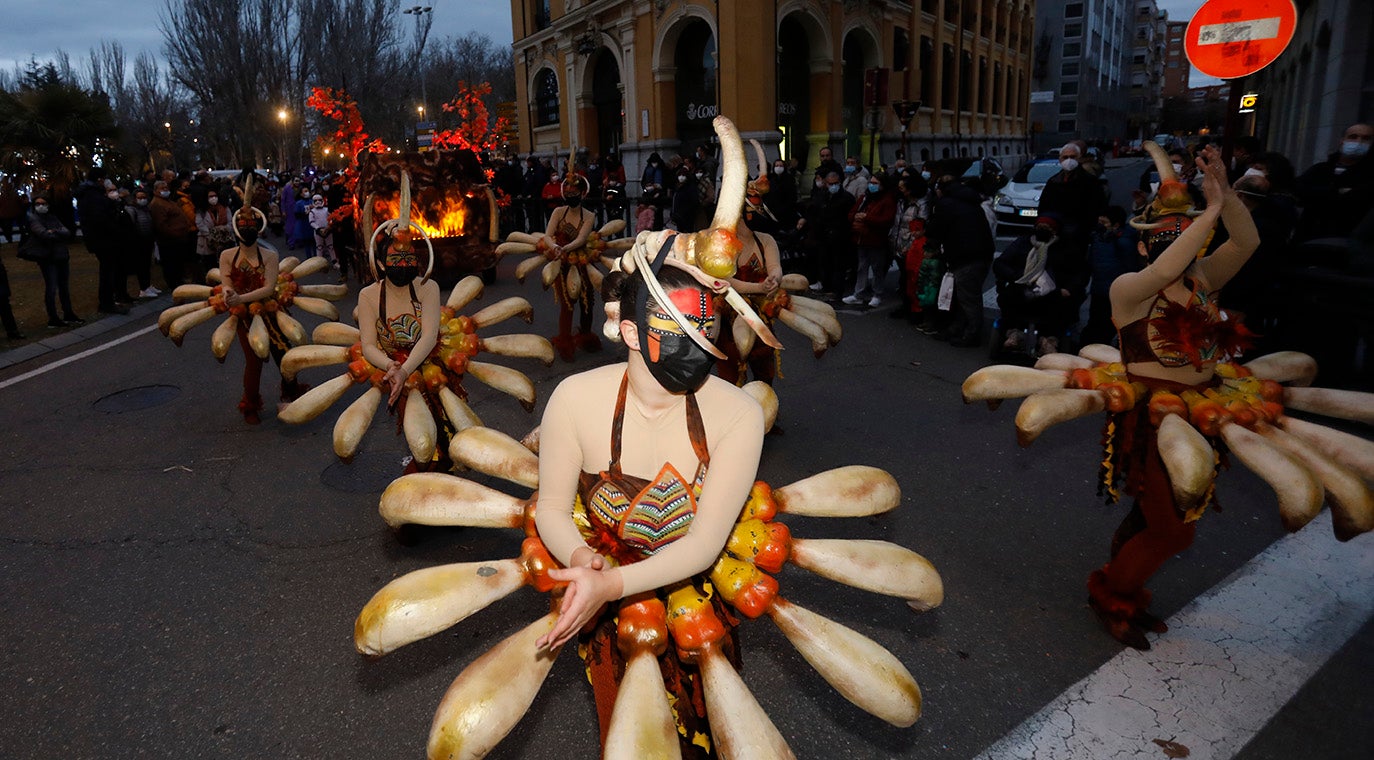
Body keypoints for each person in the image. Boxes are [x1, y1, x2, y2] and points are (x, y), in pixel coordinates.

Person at [534, 255, 766, 756]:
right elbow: (551, 507)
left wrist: (609, 583)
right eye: (680, 330)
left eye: (707, 330)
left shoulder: (740, 413)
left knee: (706, 731)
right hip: (607, 594)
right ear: (633, 334)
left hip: (694, 597)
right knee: (629, 734)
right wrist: (583, 563)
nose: (699, 347)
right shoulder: (574, 398)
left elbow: (704, 544)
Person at [1091, 146, 1259, 649]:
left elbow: (1247, 241)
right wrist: (1205, 215)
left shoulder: (1205, 278)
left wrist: (1225, 197)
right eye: (1165, 237)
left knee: (1168, 515)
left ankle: (1126, 579)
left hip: (1204, 411)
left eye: (1184, 234)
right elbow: (1165, 272)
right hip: (1155, 419)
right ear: (1144, 247)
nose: (1178, 245)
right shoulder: (1131, 288)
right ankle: (1112, 595)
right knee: (1173, 531)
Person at [355, 210, 444, 466]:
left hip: (429, 362)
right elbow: (369, 345)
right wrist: (390, 366)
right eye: (396, 258)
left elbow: (429, 337)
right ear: (381, 263)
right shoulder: (368, 296)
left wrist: (403, 370)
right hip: (393, 366)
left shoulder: (429, 288)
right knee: (420, 434)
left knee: (443, 423)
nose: (404, 265)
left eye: (409, 258)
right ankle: (425, 471)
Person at [218, 200, 307, 424]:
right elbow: (225, 281)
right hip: (243, 316)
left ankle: (289, 393)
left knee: (285, 353)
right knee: (254, 360)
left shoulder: (270, 256)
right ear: (237, 229)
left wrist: (241, 297)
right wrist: (229, 293)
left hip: (270, 308)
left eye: (251, 224)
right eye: (243, 224)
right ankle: (250, 404)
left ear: (258, 228)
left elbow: (268, 288)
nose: (247, 228)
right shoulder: (227, 255)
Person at [992, 214, 1089, 355]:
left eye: (1047, 228)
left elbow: (1081, 272)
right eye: (1040, 227)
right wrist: (1016, 276)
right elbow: (1001, 263)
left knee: (1062, 308)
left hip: (1054, 292)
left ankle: (1049, 340)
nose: (1043, 230)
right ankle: (1015, 333)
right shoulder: (1023, 243)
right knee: (1008, 299)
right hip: (1023, 288)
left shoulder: (1066, 249)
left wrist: (1069, 289)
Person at [925, 174, 994, 346]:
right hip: (979, 253)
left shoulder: (946, 204)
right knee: (965, 295)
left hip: (964, 256)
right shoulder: (969, 201)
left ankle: (971, 334)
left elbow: (935, 229)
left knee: (968, 298)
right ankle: (958, 328)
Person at [539, 172, 601, 361]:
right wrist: (555, 247)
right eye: (568, 192)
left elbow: (582, 238)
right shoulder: (558, 212)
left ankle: (585, 334)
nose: (571, 195)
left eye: (575, 192)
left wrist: (565, 247)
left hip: (582, 260)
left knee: (587, 302)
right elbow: (548, 235)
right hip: (562, 261)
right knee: (567, 304)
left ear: (583, 194)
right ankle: (565, 341)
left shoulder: (589, 216)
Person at [1294, 122, 1374, 242]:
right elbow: (1298, 192)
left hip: (1348, 245)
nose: (1359, 142)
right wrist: (1337, 192)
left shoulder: (1370, 174)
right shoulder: (1321, 169)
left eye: (1366, 138)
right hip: (1309, 240)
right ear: (1342, 140)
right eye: (1353, 137)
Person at [1079, 206, 1139, 347]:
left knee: (1107, 325)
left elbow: (1131, 266)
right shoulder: (1099, 238)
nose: (1101, 226)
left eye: (1104, 223)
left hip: (1115, 292)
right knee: (1096, 322)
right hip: (1099, 289)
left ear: (1116, 225)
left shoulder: (1124, 242)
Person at [24, 194, 83, 328]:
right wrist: (55, 233)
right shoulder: (34, 219)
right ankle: (53, 318)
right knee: (51, 288)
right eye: (38, 204)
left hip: (61, 255)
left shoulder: (53, 217)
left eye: (43, 203)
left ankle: (68, 314)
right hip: (48, 258)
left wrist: (53, 231)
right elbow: (43, 234)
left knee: (64, 287)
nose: (41, 206)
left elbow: (66, 232)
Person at [75, 169, 129, 314]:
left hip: (99, 238)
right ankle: (107, 303)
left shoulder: (89, 194)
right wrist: (114, 227)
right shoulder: (93, 196)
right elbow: (100, 218)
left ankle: (108, 301)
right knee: (108, 271)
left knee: (108, 270)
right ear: (100, 179)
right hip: (103, 239)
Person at [842, 172, 898, 308]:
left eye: (875, 183)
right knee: (862, 267)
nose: (872, 185)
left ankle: (877, 294)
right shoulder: (865, 197)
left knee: (877, 267)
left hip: (876, 240)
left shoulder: (887, 200)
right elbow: (852, 212)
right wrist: (856, 217)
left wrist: (866, 218)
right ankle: (859, 293)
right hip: (861, 238)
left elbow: (886, 220)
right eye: (871, 182)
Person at [150, 179, 195, 287]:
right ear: (156, 190)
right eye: (162, 188)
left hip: (179, 239)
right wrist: (175, 233)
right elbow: (161, 225)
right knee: (171, 265)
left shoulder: (168, 201)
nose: (165, 190)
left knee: (178, 263)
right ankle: (174, 284)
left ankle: (179, 281)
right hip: (169, 241)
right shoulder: (157, 204)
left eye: (166, 188)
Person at [123, 188, 159, 299]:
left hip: (147, 239)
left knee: (147, 264)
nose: (142, 199)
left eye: (144, 197)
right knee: (141, 266)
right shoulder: (131, 210)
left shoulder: (145, 209)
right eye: (139, 197)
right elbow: (131, 226)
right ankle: (144, 288)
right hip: (139, 241)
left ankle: (148, 285)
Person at [195, 188, 233, 276]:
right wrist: (211, 234)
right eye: (211, 196)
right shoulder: (202, 211)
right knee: (210, 263)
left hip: (224, 241)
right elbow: (199, 223)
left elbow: (230, 222)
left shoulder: (224, 208)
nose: (213, 198)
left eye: (215, 196)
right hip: (207, 241)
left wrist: (222, 230)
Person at [307, 193, 336, 271]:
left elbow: (331, 218)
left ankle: (334, 261)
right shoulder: (312, 212)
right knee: (319, 247)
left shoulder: (326, 210)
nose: (318, 202)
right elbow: (311, 222)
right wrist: (318, 228)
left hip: (328, 230)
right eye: (315, 200)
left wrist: (329, 226)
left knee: (330, 246)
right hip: (318, 231)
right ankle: (319, 264)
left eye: (319, 200)